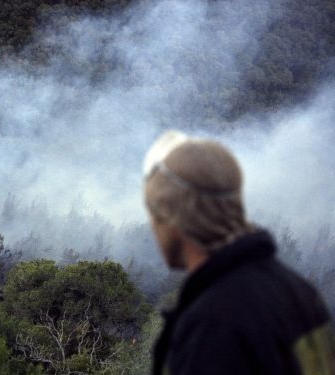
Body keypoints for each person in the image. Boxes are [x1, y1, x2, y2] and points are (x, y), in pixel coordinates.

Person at [143, 131, 335, 375]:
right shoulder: (299, 292)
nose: (152, 226)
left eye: (154, 214)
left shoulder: (213, 326)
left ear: (172, 217)